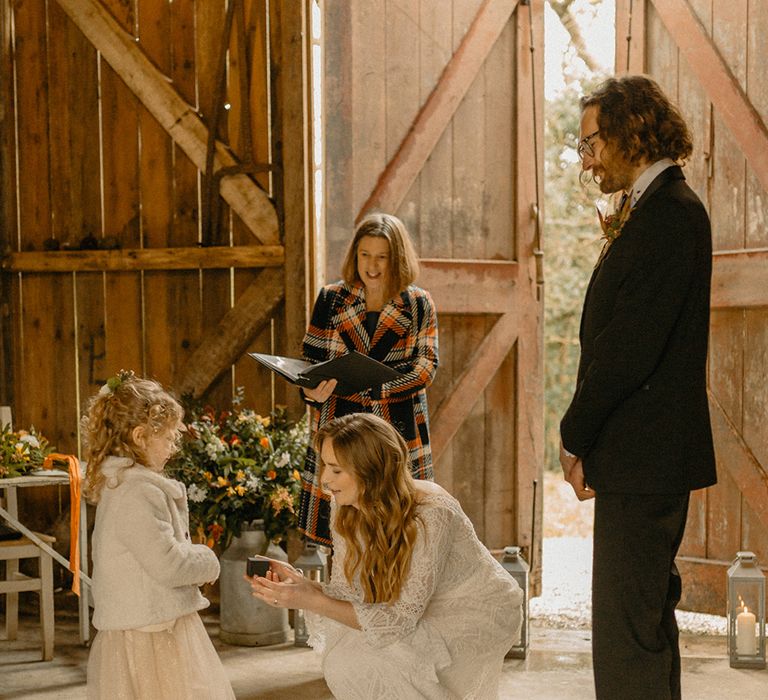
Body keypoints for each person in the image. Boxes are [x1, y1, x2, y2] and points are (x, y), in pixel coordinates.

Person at [559, 76, 717, 700]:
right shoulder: (653, 212)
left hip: (645, 455)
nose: (586, 158)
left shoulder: (671, 216)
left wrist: (574, 434)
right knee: (641, 622)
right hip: (640, 456)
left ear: (630, 133)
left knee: (628, 631)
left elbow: (628, 350)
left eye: (592, 141)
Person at [249, 413, 522, 699]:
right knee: (346, 658)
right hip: (418, 605)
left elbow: (400, 621)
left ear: (372, 472)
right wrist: (300, 585)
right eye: (325, 467)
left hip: (478, 607)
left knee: (376, 662)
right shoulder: (345, 505)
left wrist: (311, 599)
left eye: (336, 470)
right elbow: (348, 594)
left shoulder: (432, 514)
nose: (325, 480)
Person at [83, 370, 234, 699]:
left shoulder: (129, 485)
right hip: (151, 631)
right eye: (167, 438)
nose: (173, 446)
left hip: (151, 619)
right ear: (140, 437)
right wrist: (208, 561)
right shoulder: (136, 492)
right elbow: (168, 564)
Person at [299, 212, 439, 545]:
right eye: (364, 255)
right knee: (342, 532)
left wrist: (377, 388)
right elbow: (311, 362)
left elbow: (426, 366)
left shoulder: (418, 304)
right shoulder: (331, 299)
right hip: (338, 429)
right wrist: (311, 393)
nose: (371, 265)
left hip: (397, 431)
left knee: (397, 532)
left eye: (381, 257)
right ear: (354, 255)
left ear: (398, 259)